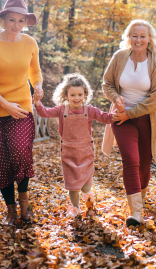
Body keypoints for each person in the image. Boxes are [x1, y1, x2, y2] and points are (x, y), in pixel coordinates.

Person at [0, 0, 43, 226]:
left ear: (25, 22)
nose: (15, 25)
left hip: (21, 108)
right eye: (11, 19)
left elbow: (35, 72)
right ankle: (11, 209)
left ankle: (25, 203)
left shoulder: (30, 43)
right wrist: (4, 104)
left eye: (20, 20)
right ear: (3, 19)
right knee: (0, 160)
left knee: (20, 151)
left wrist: (39, 87)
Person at [102, 19, 156, 227]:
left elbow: (155, 99)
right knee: (130, 160)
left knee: (145, 164)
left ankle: (140, 202)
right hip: (120, 118)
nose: (138, 39)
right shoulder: (119, 57)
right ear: (128, 38)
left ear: (149, 39)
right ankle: (136, 213)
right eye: (134, 35)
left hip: (147, 118)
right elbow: (107, 84)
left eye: (142, 36)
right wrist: (115, 98)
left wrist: (130, 114)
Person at [33, 73, 114, 218]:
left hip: (85, 152)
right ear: (66, 95)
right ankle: (75, 208)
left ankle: (88, 197)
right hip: (69, 152)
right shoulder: (61, 110)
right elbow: (45, 113)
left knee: (85, 186)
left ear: (85, 94)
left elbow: (105, 117)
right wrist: (38, 103)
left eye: (79, 95)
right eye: (73, 95)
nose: (76, 98)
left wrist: (119, 113)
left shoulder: (89, 110)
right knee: (72, 184)